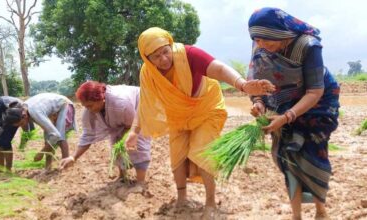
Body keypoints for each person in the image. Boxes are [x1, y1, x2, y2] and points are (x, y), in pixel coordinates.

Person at [125, 27, 275, 219]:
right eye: (156, 56)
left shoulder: (189, 54)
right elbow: (144, 104)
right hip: (178, 115)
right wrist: (134, 131)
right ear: (147, 58)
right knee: (177, 156)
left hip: (206, 109)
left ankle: (210, 203)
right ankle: (181, 198)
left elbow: (218, 68)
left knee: (203, 152)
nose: (163, 59)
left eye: (165, 51)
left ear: (171, 45)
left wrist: (242, 84)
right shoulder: (148, 74)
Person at [247, 7, 340, 220]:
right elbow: (256, 82)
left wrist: (287, 117)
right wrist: (259, 102)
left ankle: (320, 211)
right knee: (287, 157)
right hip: (282, 103)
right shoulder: (261, 44)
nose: (261, 45)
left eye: (266, 40)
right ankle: (296, 215)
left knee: (313, 154)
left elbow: (315, 91)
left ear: (280, 32)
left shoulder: (308, 46)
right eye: (257, 40)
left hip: (317, 105)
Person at [60, 81, 151, 193]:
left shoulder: (121, 103)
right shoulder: (90, 111)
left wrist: (128, 136)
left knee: (137, 143)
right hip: (124, 113)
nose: (88, 109)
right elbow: (87, 135)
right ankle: (122, 176)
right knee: (116, 143)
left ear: (101, 99)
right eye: (85, 106)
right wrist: (74, 157)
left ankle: (140, 182)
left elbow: (133, 125)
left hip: (141, 106)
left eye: (90, 105)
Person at [4, 93, 75, 170]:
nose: (22, 125)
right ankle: (48, 168)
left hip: (64, 104)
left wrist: (41, 153)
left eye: (21, 123)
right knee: (48, 139)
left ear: (24, 116)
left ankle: (66, 166)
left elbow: (56, 135)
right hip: (53, 109)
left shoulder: (35, 113)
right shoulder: (24, 109)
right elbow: (48, 135)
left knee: (60, 137)